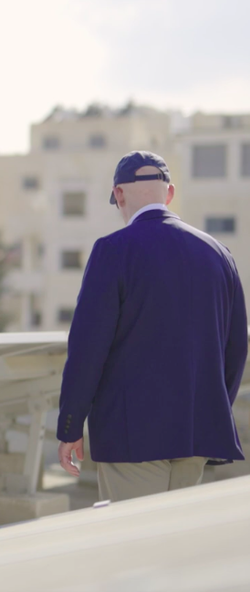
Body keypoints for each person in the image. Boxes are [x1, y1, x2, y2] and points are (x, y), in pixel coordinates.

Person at [57, 150, 247, 502]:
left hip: (133, 437)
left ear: (119, 194)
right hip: (197, 432)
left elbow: (87, 348)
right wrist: (209, 406)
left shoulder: (113, 251)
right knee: (176, 548)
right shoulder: (219, 254)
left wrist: (70, 425)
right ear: (169, 193)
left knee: (134, 547)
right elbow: (236, 348)